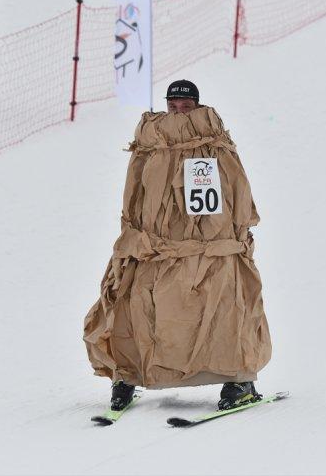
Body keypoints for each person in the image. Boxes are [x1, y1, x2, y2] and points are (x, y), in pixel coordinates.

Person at [83, 79, 272, 411]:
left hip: (209, 251)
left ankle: (239, 380)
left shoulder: (216, 147)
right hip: (154, 249)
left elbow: (237, 195)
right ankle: (125, 377)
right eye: (173, 106)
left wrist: (234, 239)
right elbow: (133, 196)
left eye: (186, 107)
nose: (178, 112)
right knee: (137, 308)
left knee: (221, 309)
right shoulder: (149, 145)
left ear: (197, 106)